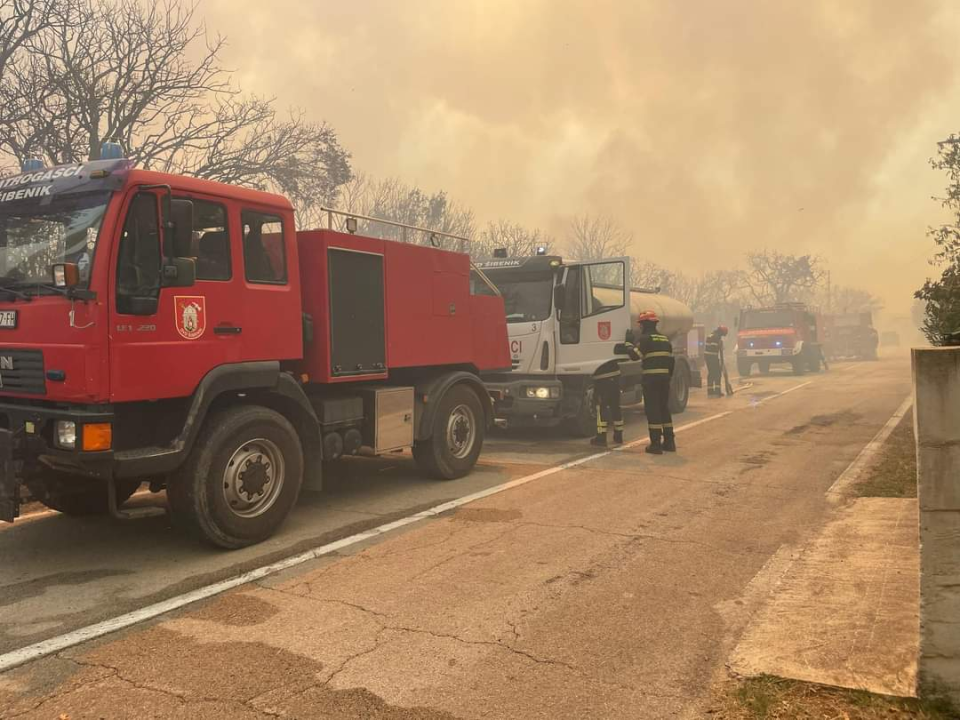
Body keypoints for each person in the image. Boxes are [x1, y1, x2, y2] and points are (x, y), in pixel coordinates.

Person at [636, 311, 676, 454]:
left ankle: (655, 444)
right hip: (664, 380)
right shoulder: (665, 339)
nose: (640, 327)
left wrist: (628, 344)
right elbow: (671, 361)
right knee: (664, 409)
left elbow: (635, 356)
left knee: (653, 411)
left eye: (640, 324)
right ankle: (670, 442)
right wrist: (667, 376)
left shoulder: (645, 339)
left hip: (651, 381)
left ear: (645, 324)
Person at [591, 337, 641, 447]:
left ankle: (601, 437)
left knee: (601, 407)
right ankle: (618, 435)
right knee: (615, 406)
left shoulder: (593, 343)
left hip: (601, 378)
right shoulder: (610, 339)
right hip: (615, 375)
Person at [704, 325, 729, 397]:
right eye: (724, 334)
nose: (723, 336)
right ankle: (717, 392)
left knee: (711, 373)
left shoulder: (711, 335)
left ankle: (710, 391)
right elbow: (713, 347)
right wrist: (719, 345)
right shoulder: (716, 337)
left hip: (708, 357)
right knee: (717, 373)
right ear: (722, 332)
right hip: (712, 357)